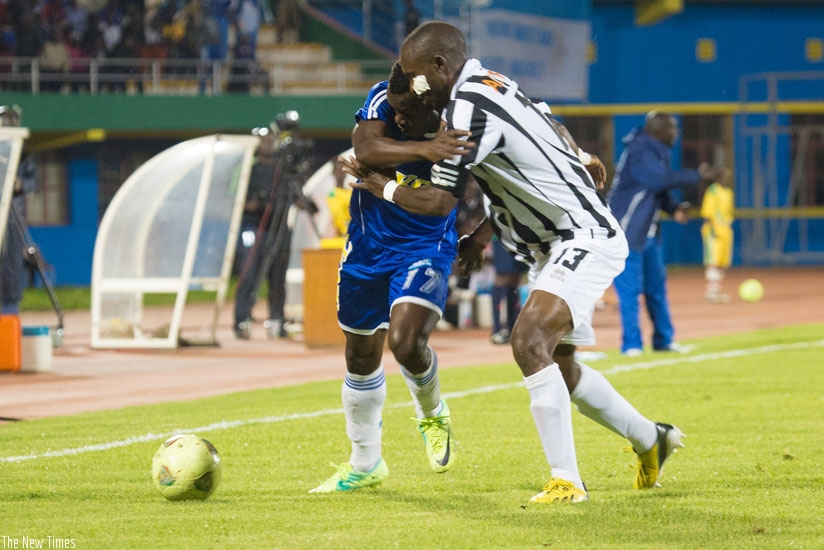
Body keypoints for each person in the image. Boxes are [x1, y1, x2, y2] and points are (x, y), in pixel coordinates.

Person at [344, 21, 684, 504]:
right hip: (549, 245)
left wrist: (380, 185)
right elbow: (542, 132)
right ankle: (652, 439)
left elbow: (440, 201)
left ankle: (567, 480)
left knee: (528, 340)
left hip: (580, 236)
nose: (415, 86)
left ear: (441, 66)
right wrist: (484, 234)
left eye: (418, 76)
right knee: (561, 369)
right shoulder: (492, 82)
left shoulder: (465, 109)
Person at [309, 63, 472, 493]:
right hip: (366, 247)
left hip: (425, 246)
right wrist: (424, 150)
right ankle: (365, 463)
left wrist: (384, 184)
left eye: (406, 114)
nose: (397, 119)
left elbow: (436, 202)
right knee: (360, 356)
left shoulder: (459, 121)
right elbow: (364, 149)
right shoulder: (384, 96)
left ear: (430, 103)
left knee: (404, 342)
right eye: (394, 113)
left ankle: (433, 412)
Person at [607, 111, 715, 356]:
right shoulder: (639, 151)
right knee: (630, 292)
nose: (676, 133)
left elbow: (655, 190)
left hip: (648, 233)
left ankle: (663, 340)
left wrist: (673, 208)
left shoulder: (656, 151)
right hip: (626, 232)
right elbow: (658, 181)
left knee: (656, 290)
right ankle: (631, 345)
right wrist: (699, 175)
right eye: (672, 128)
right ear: (658, 129)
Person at [234, 117, 307, 341]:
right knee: (250, 275)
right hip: (254, 227)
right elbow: (232, 199)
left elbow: (300, 201)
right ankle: (241, 319)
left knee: (278, 278)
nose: (267, 143)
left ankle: (277, 320)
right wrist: (252, 204)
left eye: (270, 139)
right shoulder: (247, 169)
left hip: (280, 228)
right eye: (262, 139)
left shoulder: (284, 170)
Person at [0, 105, 37, 315]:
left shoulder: (22, 155)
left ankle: (9, 317)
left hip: (13, 217)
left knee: (12, 269)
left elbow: (31, 182)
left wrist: (18, 184)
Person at [700, 167, 734, 303]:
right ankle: (711, 292)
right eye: (725, 175)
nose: (728, 178)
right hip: (714, 231)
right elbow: (708, 213)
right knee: (713, 262)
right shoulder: (712, 191)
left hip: (726, 230)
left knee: (722, 263)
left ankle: (717, 290)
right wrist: (712, 230)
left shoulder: (729, 193)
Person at [489, 235, 527, 345]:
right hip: (502, 235)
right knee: (501, 277)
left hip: (520, 237)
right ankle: (498, 329)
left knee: (515, 279)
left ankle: (512, 329)